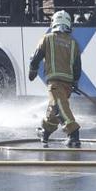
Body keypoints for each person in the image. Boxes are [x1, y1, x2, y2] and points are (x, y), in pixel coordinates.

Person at [29, 10, 83, 148]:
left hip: (55, 82)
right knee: (55, 107)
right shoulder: (73, 43)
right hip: (67, 85)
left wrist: (33, 71)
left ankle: (73, 134)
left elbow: (36, 57)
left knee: (59, 107)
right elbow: (77, 67)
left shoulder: (47, 38)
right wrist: (75, 81)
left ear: (53, 23)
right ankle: (45, 132)